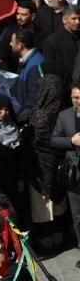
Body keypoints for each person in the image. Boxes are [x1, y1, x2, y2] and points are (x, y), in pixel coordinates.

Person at [49, 81, 80, 268]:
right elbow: (53, 140)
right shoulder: (64, 115)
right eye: (75, 98)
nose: (78, 101)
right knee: (77, 215)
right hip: (74, 174)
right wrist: (71, 141)